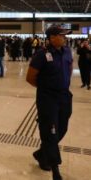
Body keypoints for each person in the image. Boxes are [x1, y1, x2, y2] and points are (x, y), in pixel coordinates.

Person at [26, 25, 73, 180]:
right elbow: (30, 77)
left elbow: (70, 67)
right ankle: (55, 169)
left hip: (64, 97)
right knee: (51, 132)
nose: (65, 37)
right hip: (48, 99)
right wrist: (47, 88)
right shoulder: (41, 55)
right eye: (62, 35)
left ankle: (41, 153)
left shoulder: (67, 51)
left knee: (62, 129)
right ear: (52, 38)